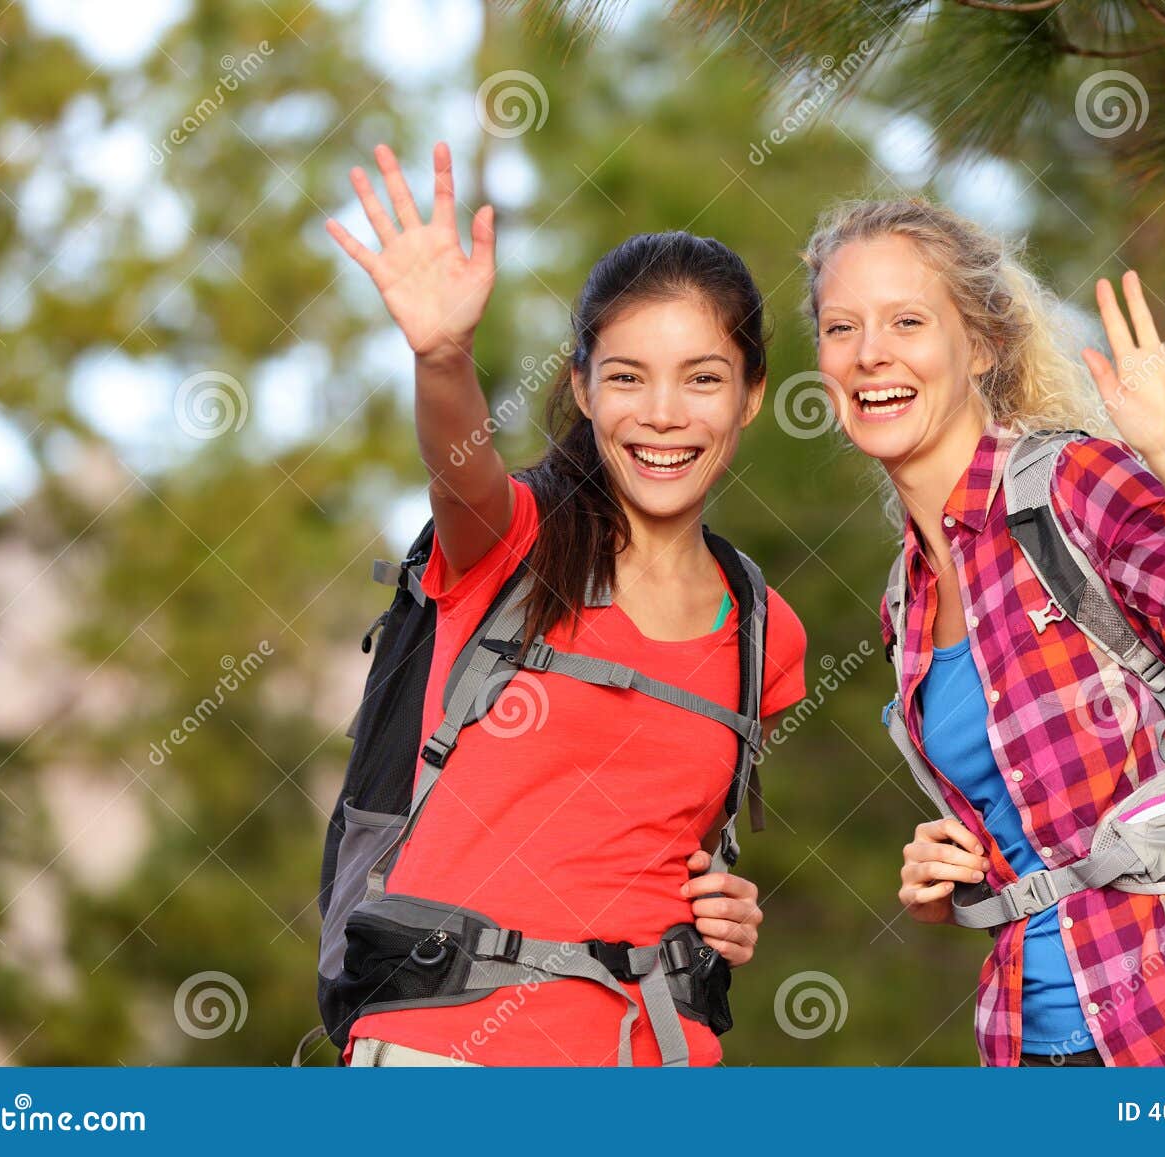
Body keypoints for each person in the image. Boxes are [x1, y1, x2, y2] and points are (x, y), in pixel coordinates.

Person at [800, 196, 1165, 1066]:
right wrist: (949, 874)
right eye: (843, 328)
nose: (869, 351)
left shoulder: (1070, 484)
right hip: (1042, 1045)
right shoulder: (904, 603)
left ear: (982, 346)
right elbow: (1039, 820)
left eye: (907, 320)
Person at [323, 142, 807, 1065]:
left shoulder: (765, 630)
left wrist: (725, 907)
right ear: (582, 388)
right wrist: (443, 356)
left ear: (751, 398)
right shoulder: (509, 541)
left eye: (703, 378)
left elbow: (657, 843)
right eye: (627, 376)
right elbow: (457, 464)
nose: (663, 413)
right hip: (446, 1053)